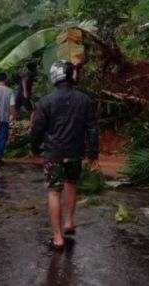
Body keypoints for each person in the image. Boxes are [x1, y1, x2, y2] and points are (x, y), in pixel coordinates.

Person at [31, 61, 99, 251]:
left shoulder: (46, 101)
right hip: (75, 152)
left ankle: (57, 237)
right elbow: (92, 128)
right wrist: (93, 153)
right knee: (72, 184)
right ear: (73, 77)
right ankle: (69, 222)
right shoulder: (85, 100)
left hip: (54, 153)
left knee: (54, 191)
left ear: (55, 76)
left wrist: (34, 148)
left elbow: (37, 128)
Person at [0, 72, 16, 167]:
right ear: (5, 80)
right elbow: (12, 105)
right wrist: (13, 115)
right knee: (2, 138)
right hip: (5, 117)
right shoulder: (10, 91)